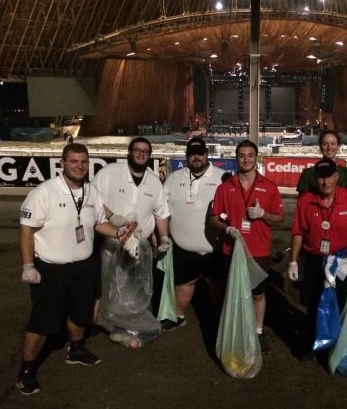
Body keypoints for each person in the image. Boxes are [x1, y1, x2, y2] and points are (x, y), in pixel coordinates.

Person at [16, 143, 126, 395]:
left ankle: (76, 349)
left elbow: (97, 224)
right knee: (42, 321)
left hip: (83, 266)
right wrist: (28, 265)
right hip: (50, 268)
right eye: (74, 161)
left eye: (84, 161)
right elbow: (26, 230)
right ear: (62, 163)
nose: (79, 166)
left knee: (80, 312)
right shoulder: (45, 192)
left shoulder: (91, 192)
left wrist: (121, 234)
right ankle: (26, 370)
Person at [91, 137, 170, 346]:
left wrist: (163, 237)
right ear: (129, 152)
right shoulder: (109, 173)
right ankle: (103, 320)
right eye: (137, 150)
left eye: (145, 151)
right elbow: (92, 199)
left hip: (138, 248)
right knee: (106, 284)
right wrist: (111, 217)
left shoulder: (153, 181)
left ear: (149, 155)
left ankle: (125, 321)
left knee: (132, 286)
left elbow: (161, 213)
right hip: (109, 243)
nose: (141, 154)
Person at [210, 139, 284, 354]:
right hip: (231, 251)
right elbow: (214, 218)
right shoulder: (225, 188)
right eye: (242, 155)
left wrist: (263, 215)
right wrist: (227, 229)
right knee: (232, 293)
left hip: (259, 251)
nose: (246, 159)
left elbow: (279, 219)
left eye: (250, 155)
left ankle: (258, 332)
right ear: (236, 158)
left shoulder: (268, 187)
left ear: (256, 158)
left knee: (258, 295)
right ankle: (234, 332)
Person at [288, 159, 347, 360]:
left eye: (329, 176)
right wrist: (294, 260)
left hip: (341, 263)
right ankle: (310, 343)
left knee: (338, 304)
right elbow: (298, 232)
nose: (325, 182)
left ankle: (334, 348)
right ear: (315, 179)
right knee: (312, 303)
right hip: (315, 261)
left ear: (336, 177)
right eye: (321, 177)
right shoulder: (306, 200)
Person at [162, 137, 226, 331]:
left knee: (217, 285)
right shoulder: (174, 178)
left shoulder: (223, 177)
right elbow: (161, 209)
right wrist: (161, 235)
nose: (196, 157)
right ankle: (178, 315)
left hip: (214, 248)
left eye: (200, 153)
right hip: (183, 247)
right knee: (183, 284)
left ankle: (220, 318)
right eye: (192, 154)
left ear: (207, 154)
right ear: (187, 156)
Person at [296, 129, 347, 194]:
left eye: (333, 144)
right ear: (320, 146)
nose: (329, 147)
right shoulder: (308, 174)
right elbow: (302, 201)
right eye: (325, 144)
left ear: (338, 146)